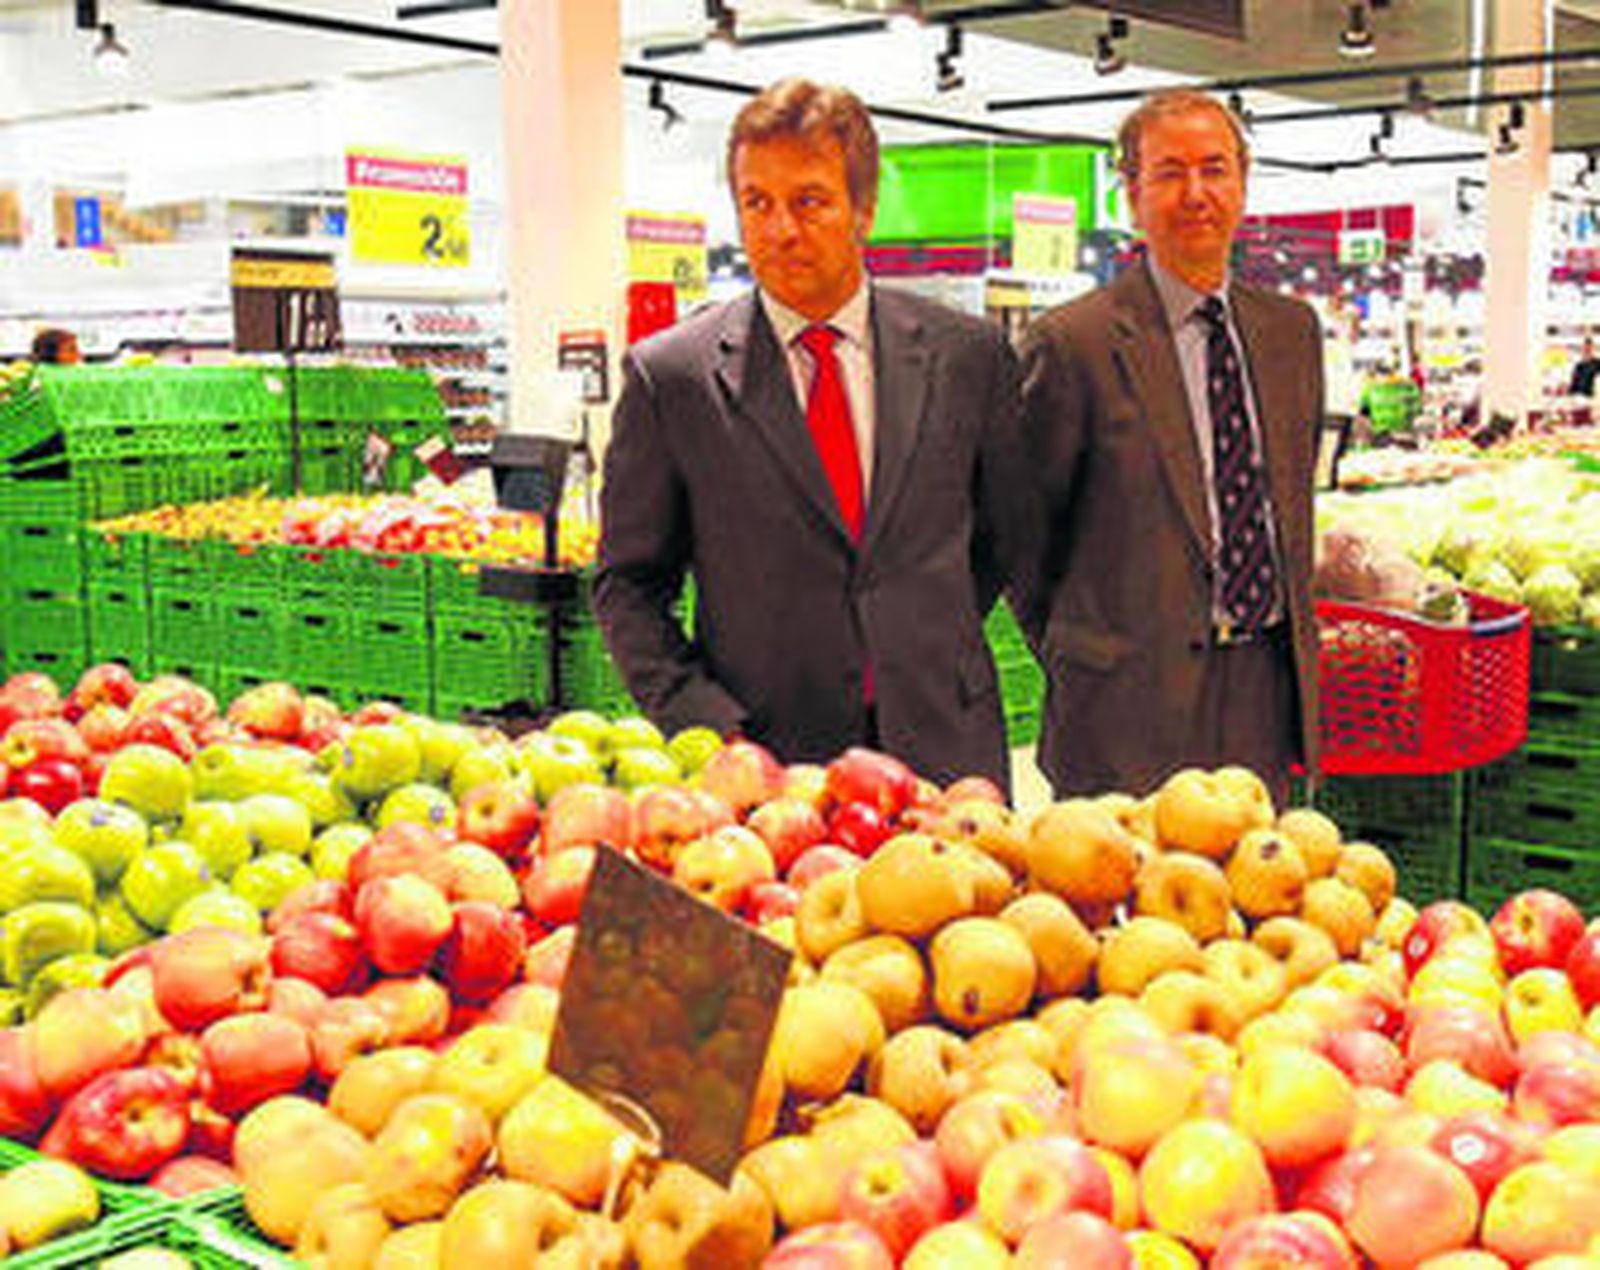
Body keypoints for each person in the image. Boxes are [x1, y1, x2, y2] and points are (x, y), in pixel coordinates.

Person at [595, 77, 1033, 789]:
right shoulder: (672, 379)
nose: (780, 230)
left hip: (945, 752)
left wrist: (914, 638)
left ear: (864, 209)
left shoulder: (968, 357)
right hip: (771, 765)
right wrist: (708, 724)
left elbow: (1003, 539)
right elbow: (628, 584)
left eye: (809, 201)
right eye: (756, 203)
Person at [1016, 88, 1323, 803]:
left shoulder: (1291, 333)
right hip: (1122, 705)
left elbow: (1291, 493)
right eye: (1169, 172)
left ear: (1242, 183)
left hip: (1262, 690)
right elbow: (1022, 536)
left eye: (1214, 169)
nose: (1196, 193)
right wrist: (1091, 649)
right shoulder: (1074, 342)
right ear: (1131, 194)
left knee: (1262, 899)